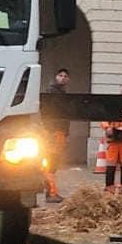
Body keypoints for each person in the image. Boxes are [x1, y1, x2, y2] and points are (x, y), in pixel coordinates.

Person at [43, 68, 71, 203]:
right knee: (52, 162)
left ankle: (51, 191)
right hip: (54, 131)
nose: (63, 78)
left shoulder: (60, 93)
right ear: (56, 77)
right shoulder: (54, 93)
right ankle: (51, 193)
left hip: (58, 131)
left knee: (53, 162)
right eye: (60, 75)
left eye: (65, 76)